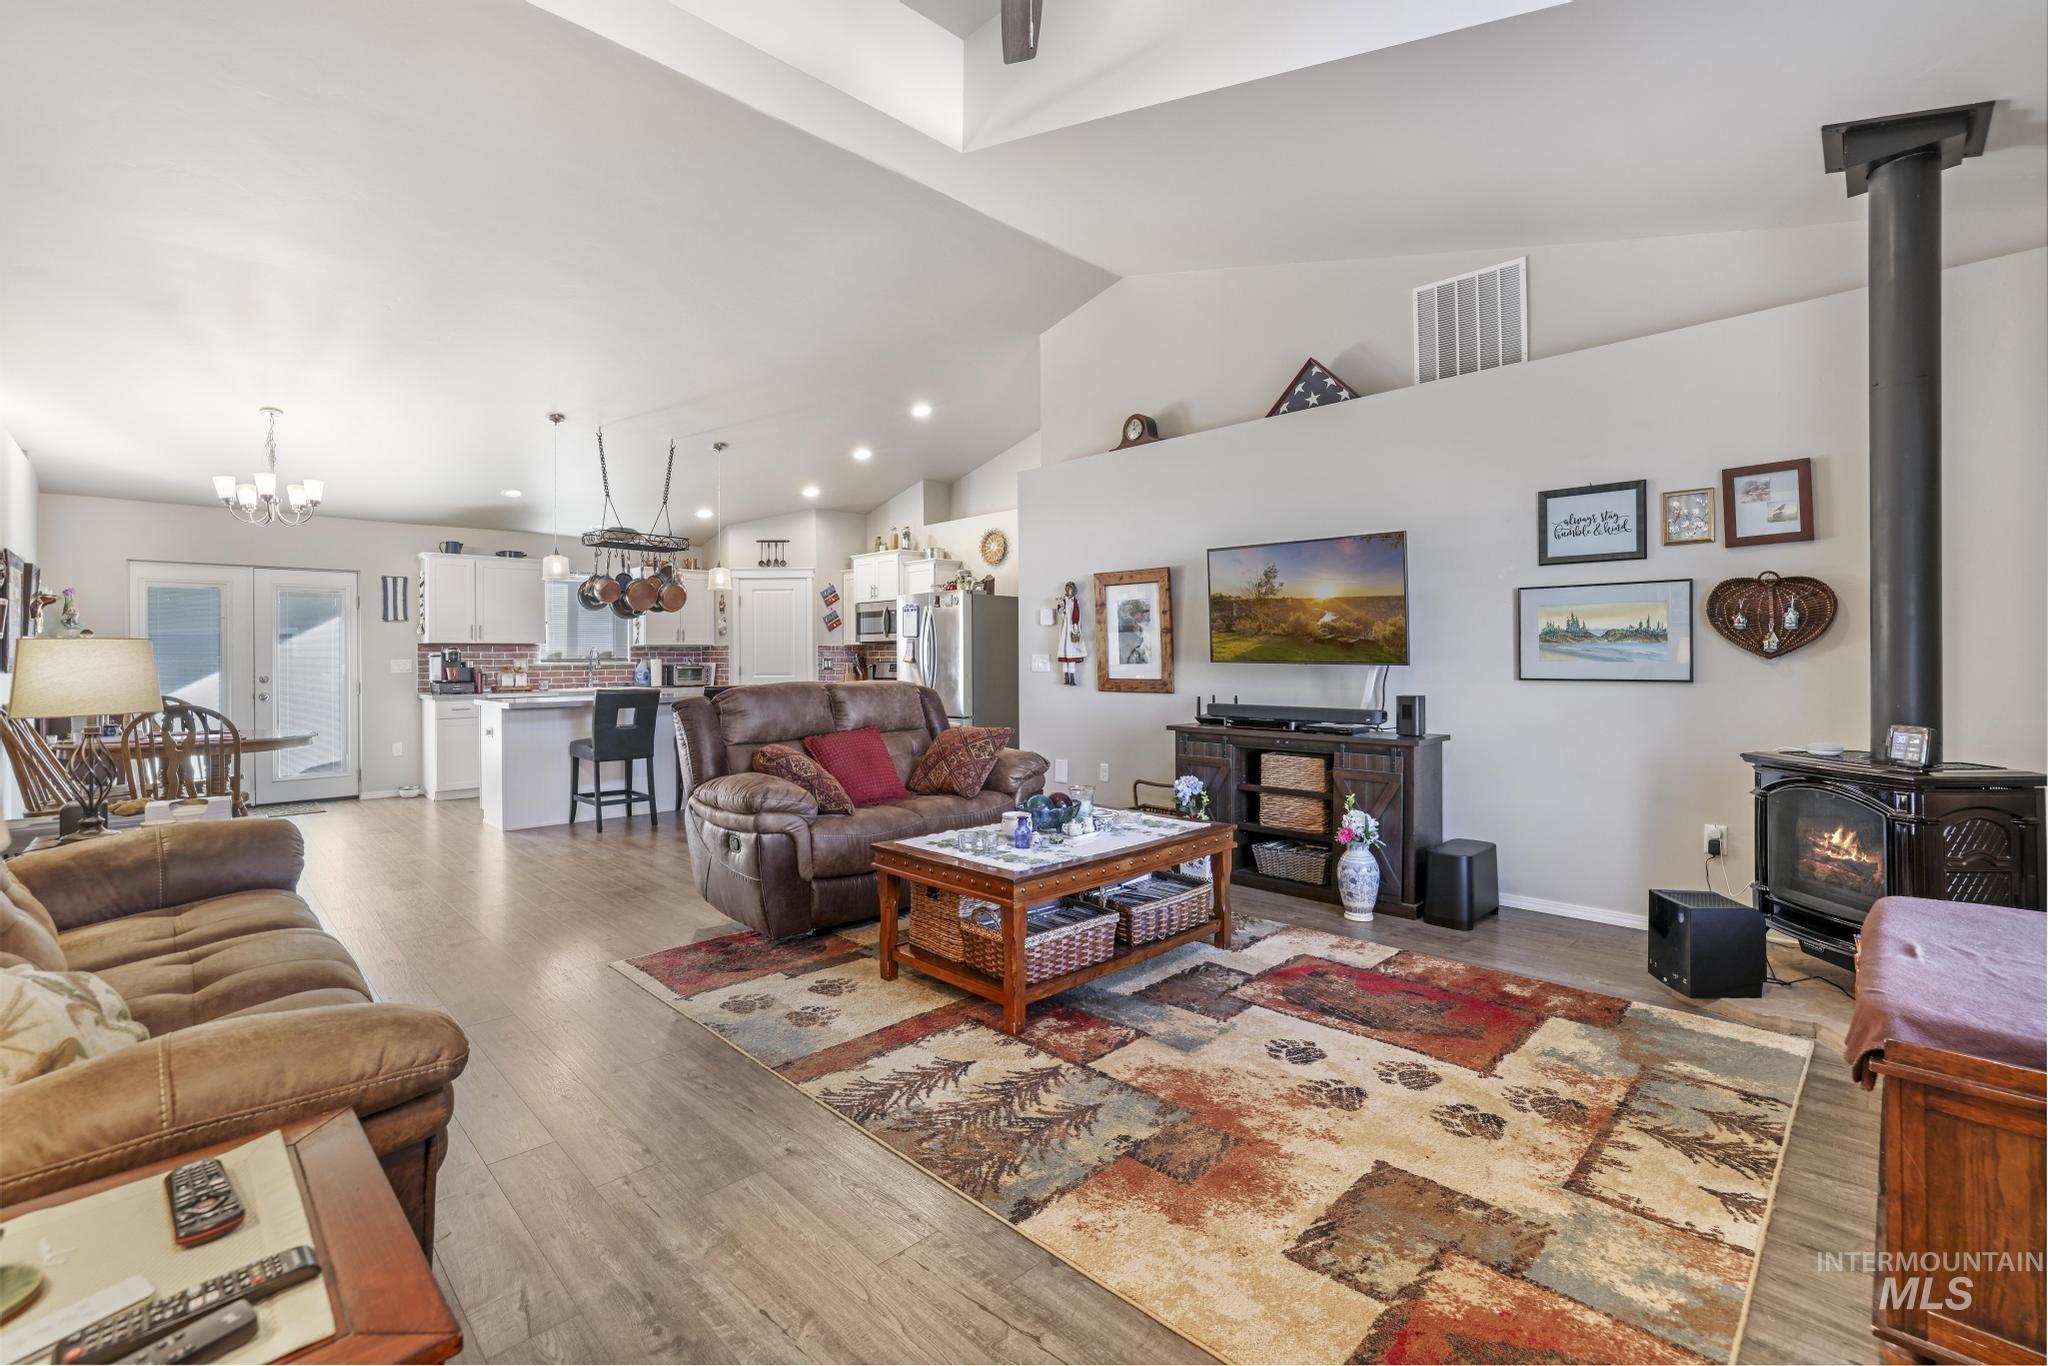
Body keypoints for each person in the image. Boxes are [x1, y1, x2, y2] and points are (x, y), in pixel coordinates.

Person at [1053, 581, 1086, 686]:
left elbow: (1078, 615)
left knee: (1073, 648)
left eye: (1071, 588)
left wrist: (1076, 626)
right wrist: (1060, 604)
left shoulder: (1076, 601)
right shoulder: (1065, 600)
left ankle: (1072, 678)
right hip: (1066, 628)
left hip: (1074, 628)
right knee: (1065, 649)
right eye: (1068, 588)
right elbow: (1061, 613)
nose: (1069, 590)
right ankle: (1066, 677)